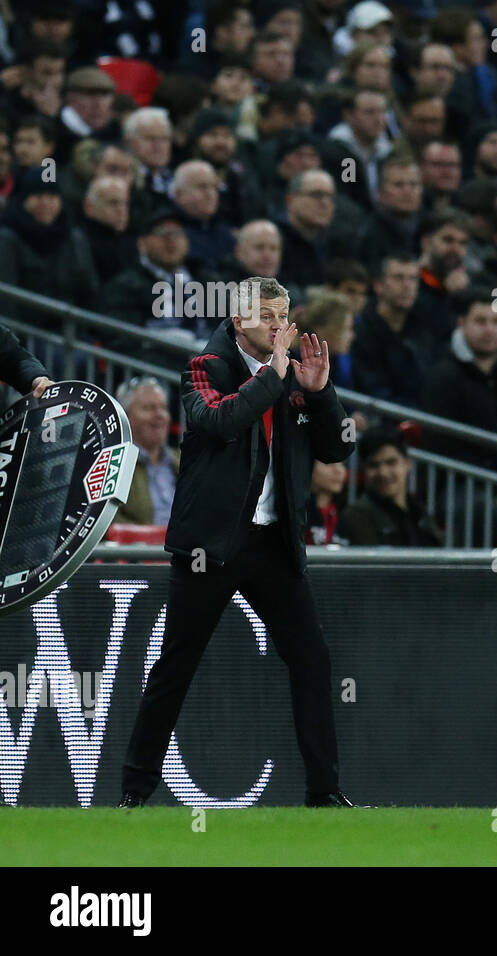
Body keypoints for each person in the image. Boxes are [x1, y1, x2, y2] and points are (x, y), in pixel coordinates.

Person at [119, 276, 357, 809]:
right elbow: (221, 420)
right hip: (212, 544)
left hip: (273, 543)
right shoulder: (206, 369)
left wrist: (322, 395)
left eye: (283, 316)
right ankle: (134, 790)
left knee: (311, 659)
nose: (278, 327)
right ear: (238, 320)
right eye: (267, 317)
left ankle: (324, 791)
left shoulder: (295, 376)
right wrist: (273, 377)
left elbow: (338, 450)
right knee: (176, 665)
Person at [337, 426, 441, 547]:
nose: (383, 473)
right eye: (373, 465)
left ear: (407, 464)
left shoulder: (420, 513)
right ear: (364, 470)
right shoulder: (355, 518)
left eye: (391, 462)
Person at [113, 376, 179, 527]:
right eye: (149, 408)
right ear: (126, 417)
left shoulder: (185, 460)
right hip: (139, 549)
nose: (159, 415)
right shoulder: (114, 462)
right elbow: (107, 518)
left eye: (163, 408)